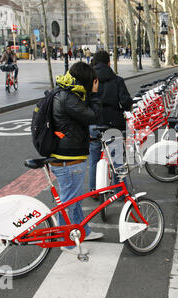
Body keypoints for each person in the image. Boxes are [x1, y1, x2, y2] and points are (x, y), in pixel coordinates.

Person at [49, 62, 103, 254]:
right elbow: (94, 116)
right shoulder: (69, 98)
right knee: (70, 202)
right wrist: (95, 94)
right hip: (67, 158)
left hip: (69, 155)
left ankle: (84, 231)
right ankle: (68, 242)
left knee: (75, 199)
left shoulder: (68, 93)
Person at [88, 50, 133, 196]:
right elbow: (126, 102)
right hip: (113, 123)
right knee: (117, 159)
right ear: (109, 63)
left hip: (94, 122)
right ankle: (120, 191)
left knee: (94, 158)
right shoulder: (117, 80)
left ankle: (94, 190)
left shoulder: (89, 80)